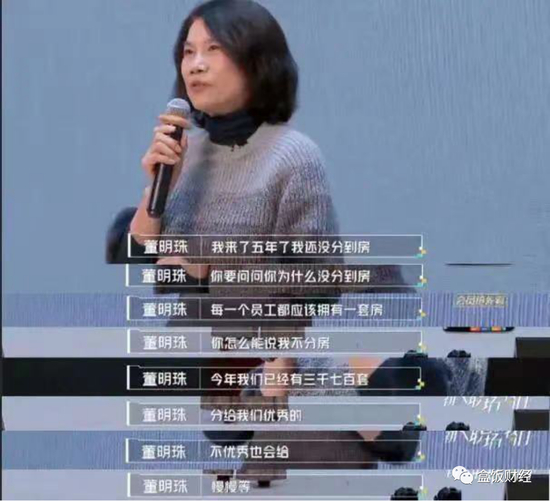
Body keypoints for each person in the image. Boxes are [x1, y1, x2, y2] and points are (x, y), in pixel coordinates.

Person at [105, 0, 342, 397]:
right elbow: (143, 261)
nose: (196, 65)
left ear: (257, 62)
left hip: (261, 364)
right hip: (188, 360)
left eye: (213, 49)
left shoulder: (293, 155)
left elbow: (318, 283)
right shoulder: (185, 152)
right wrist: (157, 190)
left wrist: (210, 271)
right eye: (188, 52)